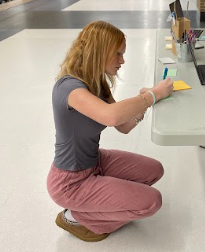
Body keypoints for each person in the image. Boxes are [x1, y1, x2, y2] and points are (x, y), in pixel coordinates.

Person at [47, 21, 174, 242]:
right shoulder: (69, 87)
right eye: (117, 54)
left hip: (95, 161)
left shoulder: (97, 84)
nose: (122, 61)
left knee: (155, 169)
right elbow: (111, 116)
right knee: (152, 201)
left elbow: (123, 126)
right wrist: (153, 95)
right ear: (100, 50)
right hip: (70, 181)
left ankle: (99, 198)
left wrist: (146, 103)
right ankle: (76, 216)